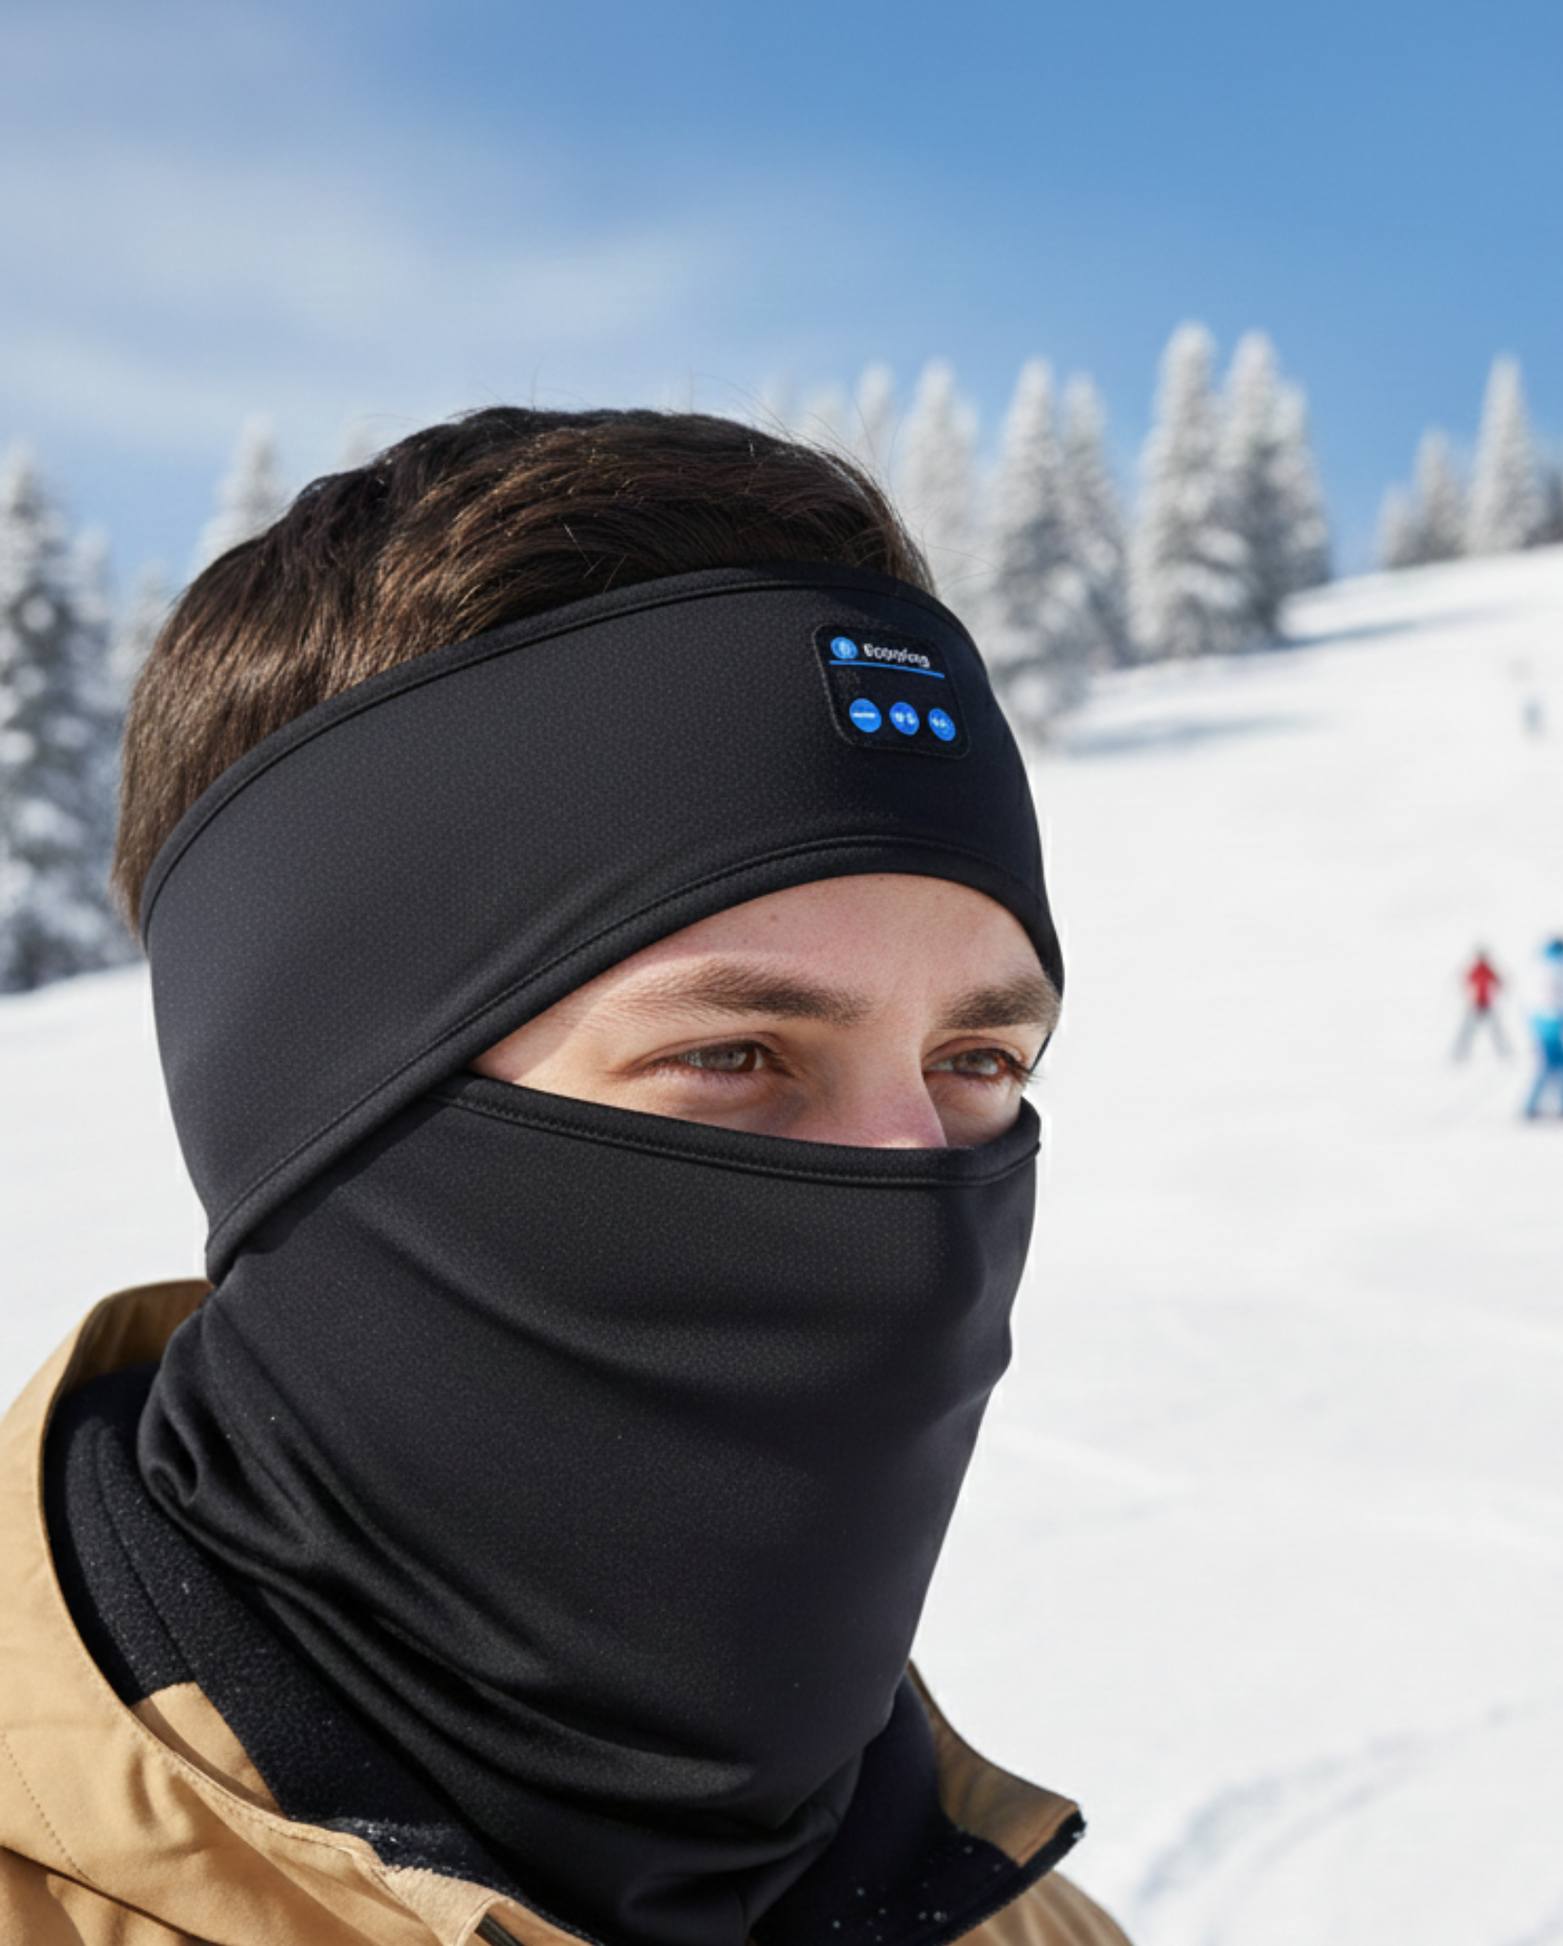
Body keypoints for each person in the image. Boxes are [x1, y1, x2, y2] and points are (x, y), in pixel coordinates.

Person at [0, 409, 1128, 1946]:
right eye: (731, 1051)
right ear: (319, 1112)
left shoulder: (1026, 1923)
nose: (916, 1201)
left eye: (977, 1062)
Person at [1524, 937, 1563, 1120]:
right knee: (1559, 1068)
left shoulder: (1542, 965)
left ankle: (1537, 1106)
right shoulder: (1554, 970)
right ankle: (1552, 1107)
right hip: (1550, 1023)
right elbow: (1552, 998)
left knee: (1553, 1068)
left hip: (1541, 1022)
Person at [1453, 946, 1509, 1060]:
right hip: (1476, 1005)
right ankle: (1459, 1053)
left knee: (1496, 1030)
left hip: (1486, 1005)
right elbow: (1467, 981)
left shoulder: (1487, 969)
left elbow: (1498, 980)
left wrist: (1502, 983)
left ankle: (1504, 1052)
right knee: (1467, 1030)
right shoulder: (1476, 968)